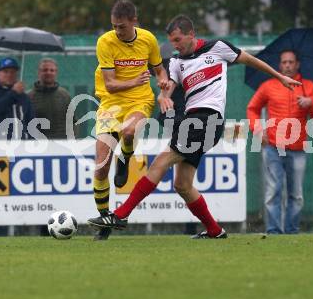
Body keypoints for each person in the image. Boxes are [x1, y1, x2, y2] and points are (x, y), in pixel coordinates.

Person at [88, 15, 301, 239]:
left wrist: (280, 77)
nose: (176, 46)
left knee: (160, 163)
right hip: (194, 122)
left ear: (191, 34)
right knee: (182, 184)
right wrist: (163, 96)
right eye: (172, 42)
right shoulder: (178, 62)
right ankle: (215, 230)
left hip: (207, 119)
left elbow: (250, 60)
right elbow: (169, 85)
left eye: (178, 40)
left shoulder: (217, 48)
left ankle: (120, 215)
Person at [91, 0, 169, 240]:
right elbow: (111, 85)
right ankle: (105, 221)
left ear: (134, 21)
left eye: (121, 26)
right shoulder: (105, 42)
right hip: (110, 104)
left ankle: (124, 158)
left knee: (128, 131)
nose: (117, 30)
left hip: (139, 100)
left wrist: (163, 83)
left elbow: (159, 70)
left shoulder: (148, 39)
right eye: (114, 26)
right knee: (101, 167)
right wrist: (133, 81)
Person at [246, 50, 313, 234]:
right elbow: (252, 108)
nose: (287, 65)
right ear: (280, 65)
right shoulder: (268, 86)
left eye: (291, 62)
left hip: (298, 149)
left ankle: (291, 231)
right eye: (284, 62)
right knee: (273, 191)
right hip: (273, 147)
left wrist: (310, 102)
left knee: (296, 195)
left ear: (297, 64)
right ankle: (274, 231)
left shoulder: (308, 86)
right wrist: (257, 129)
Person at [0, 57, 34, 140]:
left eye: (12, 72)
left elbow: (30, 121)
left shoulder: (24, 97)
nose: (9, 75)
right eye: (5, 72)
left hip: (21, 145)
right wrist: (13, 93)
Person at [28, 58, 75, 139]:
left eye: (52, 70)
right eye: (45, 70)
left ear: (56, 73)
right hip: (37, 146)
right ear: (39, 72)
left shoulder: (65, 95)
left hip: (61, 145)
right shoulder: (29, 97)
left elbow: (73, 121)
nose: (48, 73)